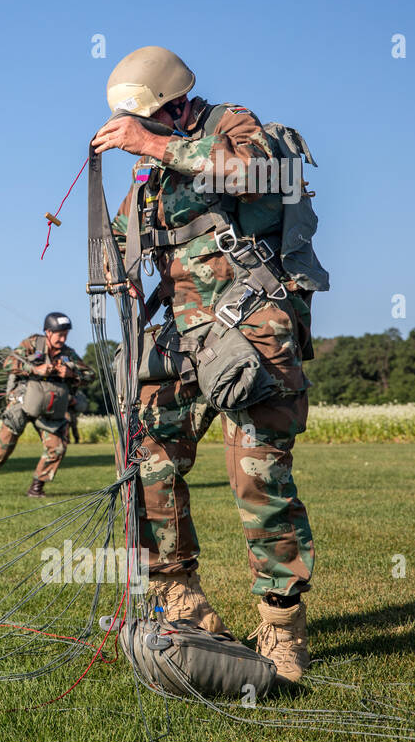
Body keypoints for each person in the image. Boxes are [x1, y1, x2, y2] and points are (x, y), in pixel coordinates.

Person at [91, 45, 316, 682]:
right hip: (179, 336)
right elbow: (131, 239)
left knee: (257, 479)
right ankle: (183, 598)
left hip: (251, 329)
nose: (146, 134)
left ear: (178, 104)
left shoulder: (236, 129)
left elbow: (255, 177)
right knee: (144, 459)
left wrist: (155, 145)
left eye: (154, 121)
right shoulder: (150, 170)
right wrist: (112, 254)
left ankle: (281, 628)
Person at [0, 313, 93, 499]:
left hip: (50, 408)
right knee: (3, 447)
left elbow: (90, 375)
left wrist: (72, 374)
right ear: (48, 332)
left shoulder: (68, 354)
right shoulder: (32, 344)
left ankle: (36, 488)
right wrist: (33, 369)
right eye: (59, 334)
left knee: (57, 448)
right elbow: (8, 363)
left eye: (65, 335)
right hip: (22, 403)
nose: (63, 339)